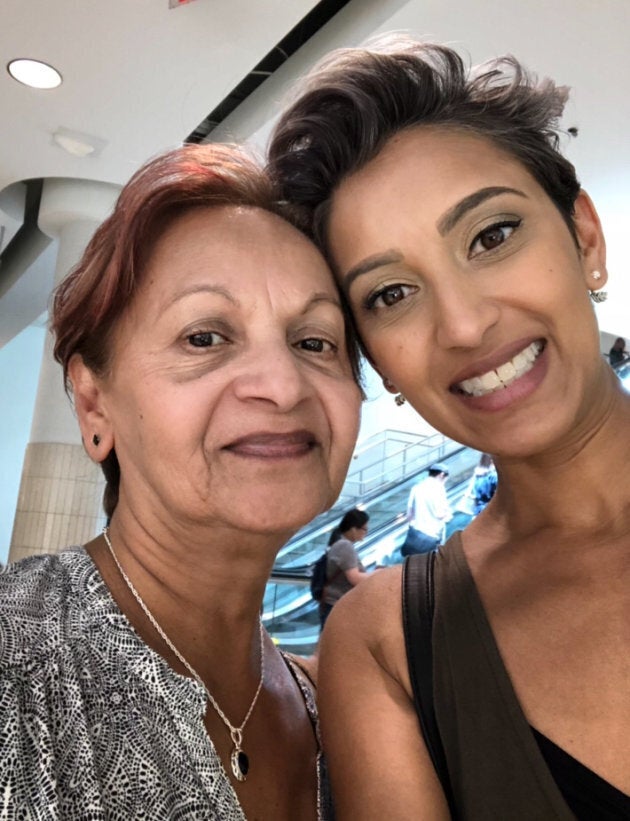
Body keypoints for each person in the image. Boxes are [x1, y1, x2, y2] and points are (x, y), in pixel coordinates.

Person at [268, 37, 630, 819]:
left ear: (586, 240)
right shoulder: (389, 643)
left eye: (492, 236)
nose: (465, 326)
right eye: (392, 294)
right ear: (380, 364)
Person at [0, 143, 363, 819]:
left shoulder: (344, 717)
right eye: (204, 337)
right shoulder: (18, 661)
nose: (283, 386)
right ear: (93, 405)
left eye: (315, 341)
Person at [319, 507, 369, 629]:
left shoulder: (339, 543)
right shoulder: (345, 546)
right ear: (353, 529)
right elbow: (354, 577)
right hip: (338, 603)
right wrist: (378, 575)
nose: (366, 532)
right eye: (364, 529)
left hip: (334, 604)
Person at [402, 463, 452, 555]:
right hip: (431, 537)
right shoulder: (439, 489)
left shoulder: (416, 488)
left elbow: (409, 515)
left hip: (415, 535)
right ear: (441, 475)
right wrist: (447, 513)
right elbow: (439, 514)